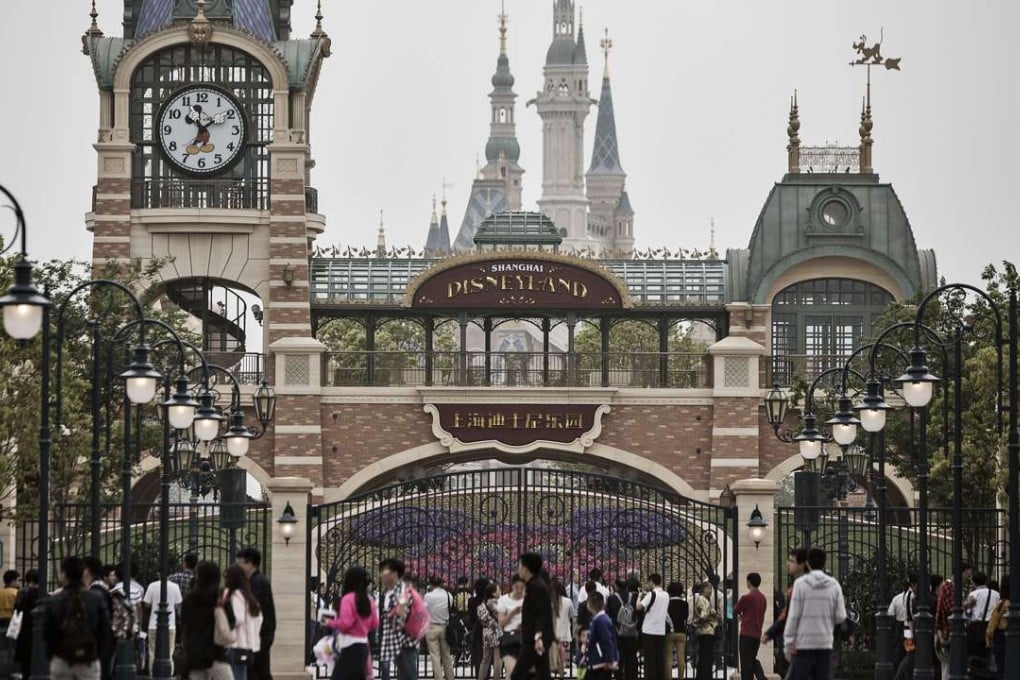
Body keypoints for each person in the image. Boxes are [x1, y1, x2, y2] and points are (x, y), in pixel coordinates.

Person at [783, 548, 847, 680]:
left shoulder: (800, 584)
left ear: (807, 563)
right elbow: (840, 615)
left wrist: (788, 642)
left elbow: (793, 617)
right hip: (824, 643)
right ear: (824, 563)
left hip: (804, 642)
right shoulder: (834, 585)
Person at [43, 556, 112, 680]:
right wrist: (96, 654)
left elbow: (47, 631)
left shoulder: (55, 599)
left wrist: (54, 653)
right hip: (88, 660)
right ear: (83, 573)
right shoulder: (96, 598)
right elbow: (105, 629)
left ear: (64, 574)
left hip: (62, 658)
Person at [180, 561, 233, 680]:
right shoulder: (220, 598)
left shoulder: (189, 598)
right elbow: (231, 621)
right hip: (215, 652)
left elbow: (184, 623)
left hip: (194, 653)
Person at [325, 566, 380, 680]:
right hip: (363, 646)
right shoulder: (369, 600)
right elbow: (375, 623)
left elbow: (345, 623)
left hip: (349, 646)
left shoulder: (348, 599)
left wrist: (330, 622)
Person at [508, 552, 553, 680]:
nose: (518, 569)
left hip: (534, 640)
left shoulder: (535, 586)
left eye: (519, 565)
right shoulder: (535, 584)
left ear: (526, 568)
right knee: (543, 674)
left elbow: (540, 613)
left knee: (517, 675)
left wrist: (538, 636)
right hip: (537, 638)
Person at [236, 548, 276, 680]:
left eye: (241, 563)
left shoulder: (258, 583)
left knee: (258, 672)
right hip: (259, 635)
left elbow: (256, 611)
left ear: (250, 563)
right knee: (259, 672)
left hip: (260, 635)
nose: (239, 567)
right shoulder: (254, 581)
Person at [377, 558, 418, 680]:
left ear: (394, 574)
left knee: (408, 675)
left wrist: (388, 615)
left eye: (384, 571)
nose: (381, 575)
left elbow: (401, 613)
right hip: (394, 640)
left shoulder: (402, 591)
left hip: (403, 641)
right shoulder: (391, 591)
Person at [223, 563, 264, 680]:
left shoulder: (236, 596)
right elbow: (259, 619)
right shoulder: (249, 598)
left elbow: (237, 618)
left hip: (235, 644)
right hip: (247, 646)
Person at [142, 573, 184, 675]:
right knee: (169, 653)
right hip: (171, 625)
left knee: (152, 653)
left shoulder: (152, 585)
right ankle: (168, 674)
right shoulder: (175, 587)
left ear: (158, 574)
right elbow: (178, 604)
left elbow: (147, 604)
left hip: (153, 624)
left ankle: (153, 675)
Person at [935, 562, 972, 680]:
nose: (969, 578)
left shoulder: (950, 587)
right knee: (949, 668)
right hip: (949, 631)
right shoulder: (950, 587)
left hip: (945, 631)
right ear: (960, 573)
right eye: (967, 575)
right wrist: (967, 604)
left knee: (948, 668)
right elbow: (951, 609)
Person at [82, 558, 114, 680]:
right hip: (104, 641)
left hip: (97, 642)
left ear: (87, 570)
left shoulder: (95, 591)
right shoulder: (103, 589)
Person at [636, 573, 670, 680]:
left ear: (651, 581)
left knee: (650, 659)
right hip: (660, 630)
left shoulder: (651, 595)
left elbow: (638, 607)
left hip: (649, 630)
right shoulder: (666, 595)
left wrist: (639, 596)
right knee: (659, 658)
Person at [733, 573, 766, 680]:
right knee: (751, 659)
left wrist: (742, 617)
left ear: (749, 582)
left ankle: (759, 678)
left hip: (746, 633)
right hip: (757, 633)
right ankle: (761, 677)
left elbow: (735, 610)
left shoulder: (746, 598)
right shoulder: (763, 598)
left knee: (745, 662)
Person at [423, 576, 455, 680]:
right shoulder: (448, 595)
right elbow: (450, 608)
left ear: (431, 584)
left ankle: (438, 678)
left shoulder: (428, 596)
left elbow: (424, 611)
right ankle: (450, 677)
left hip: (432, 626)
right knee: (446, 655)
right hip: (445, 626)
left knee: (435, 656)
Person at [965, 571, 999, 661]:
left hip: (976, 627)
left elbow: (968, 612)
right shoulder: (996, 594)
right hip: (992, 626)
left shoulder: (973, 594)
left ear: (973, 582)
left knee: (976, 657)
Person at [585, 592, 619, 680]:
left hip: (601, 662)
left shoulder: (601, 620)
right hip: (598, 661)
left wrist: (609, 660)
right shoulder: (599, 619)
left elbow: (607, 641)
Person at [12, 569, 39, 680]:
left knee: (25, 663)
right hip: (37, 631)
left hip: (24, 630)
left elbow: (17, 610)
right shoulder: (43, 592)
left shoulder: (22, 592)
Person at [498, 574, 526, 677]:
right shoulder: (504, 600)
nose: (519, 590)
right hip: (509, 638)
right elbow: (501, 623)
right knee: (512, 671)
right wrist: (512, 613)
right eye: (516, 587)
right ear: (512, 586)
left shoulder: (528, 599)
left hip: (525, 638)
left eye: (522, 588)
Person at [887, 574, 915, 671]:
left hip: (900, 628)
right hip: (908, 627)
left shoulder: (897, 598)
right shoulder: (913, 596)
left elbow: (890, 613)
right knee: (909, 653)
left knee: (900, 653)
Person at [691, 582, 719, 680]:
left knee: (704, 656)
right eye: (708, 589)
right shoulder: (702, 599)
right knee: (707, 657)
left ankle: (702, 676)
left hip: (704, 631)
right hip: (706, 631)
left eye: (711, 589)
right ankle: (706, 677)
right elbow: (704, 615)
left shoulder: (704, 599)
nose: (710, 591)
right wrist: (713, 615)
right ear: (703, 589)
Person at [476, 580, 503, 680]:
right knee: (497, 659)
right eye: (498, 589)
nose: (500, 591)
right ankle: (496, 678)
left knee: (485, 659)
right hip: (496, 632)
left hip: (486, 632)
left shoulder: (484, 603)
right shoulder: (496, 603)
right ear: (493, 593)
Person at [615, 579, 640, 680]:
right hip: (632, 632)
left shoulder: (613, 598)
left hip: (618, 631)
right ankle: (632, 676)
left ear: (616, 586)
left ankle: (619, 675)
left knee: (619, 656)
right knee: (632, 657)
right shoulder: (634, 597)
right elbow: (639, 613)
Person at [986, 577, 1009, 680]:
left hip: (1001, 636)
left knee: (1001, 665)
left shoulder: (1002, 604)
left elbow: (993, 622)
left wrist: (988, 636)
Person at [551, 578, 574, 680]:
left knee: (550, 656)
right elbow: (572, 615)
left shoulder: (549, 600)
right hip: (564, 633)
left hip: (551, 633)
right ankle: (561, 676)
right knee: (561, 657)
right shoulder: (567, 601)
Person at [665, 582, 688, 680]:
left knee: (668, 658)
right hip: (681, 631)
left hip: (669, 631)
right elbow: (685, 617)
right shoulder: (684, 603)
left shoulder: (667, 603)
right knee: (681, 657)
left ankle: (668, 678)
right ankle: (680, 677)